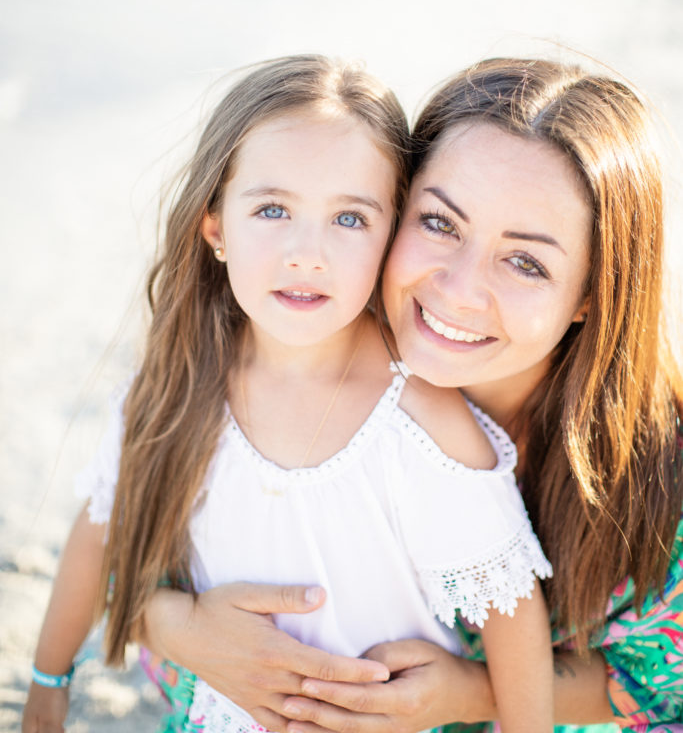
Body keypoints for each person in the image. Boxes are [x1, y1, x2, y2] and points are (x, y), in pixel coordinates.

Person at [136, 55, 683, 733]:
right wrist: (173, 625)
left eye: (525, 262)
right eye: (438, 223)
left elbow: (661, 687)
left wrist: (471, 694)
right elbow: (125, 532)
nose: (456, 288)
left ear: (591, 296)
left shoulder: (662, 476)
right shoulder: (290, 349)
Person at [22, 55, 555, 733]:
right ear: (214, 226)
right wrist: (47, 684)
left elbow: (512, 618)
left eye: (350, 219)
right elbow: (101, 531)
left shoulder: (420, 426)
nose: (307, 253)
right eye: (272, 209)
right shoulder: (177, 387)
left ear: (391, 235)